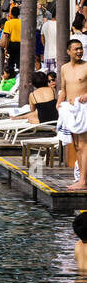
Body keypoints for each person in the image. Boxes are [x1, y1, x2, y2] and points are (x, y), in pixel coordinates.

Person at [58, 37, 87, 190]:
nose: (79, 51)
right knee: (76, 146)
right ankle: (82, 178)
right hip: (69, 110)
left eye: (81, 48)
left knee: (83, 145)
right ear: (68, 51)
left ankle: (82, 181)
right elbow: (64, 88)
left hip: (83, 109)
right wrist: (59, 102)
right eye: (76, 48)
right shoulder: (64, 68)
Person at [2, 4, 22, 76]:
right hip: (20, 45)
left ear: (11, 14)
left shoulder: (8, 23)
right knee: (20, 63)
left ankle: (11, 77)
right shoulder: (22, 22)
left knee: (10, 63)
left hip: (11, 45)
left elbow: (7, 36)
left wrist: (6, 48)